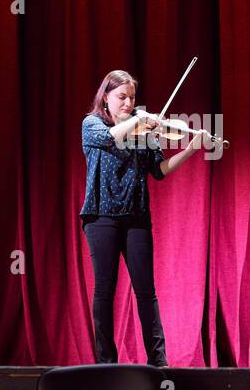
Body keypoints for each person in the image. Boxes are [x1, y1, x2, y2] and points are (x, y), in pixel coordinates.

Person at [80, 69, 203, 366]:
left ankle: (159, 362)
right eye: (121, 97)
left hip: (136, 217)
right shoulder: (92, 124)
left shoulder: (142, 134)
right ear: (105, 98)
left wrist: (189, 150)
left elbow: (159, 171)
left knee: (146, 292)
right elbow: (110, 138)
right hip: (101, 217)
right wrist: (137, 119)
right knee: (104, 291)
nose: (127, 102)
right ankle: (106, 362)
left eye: (132, 97)